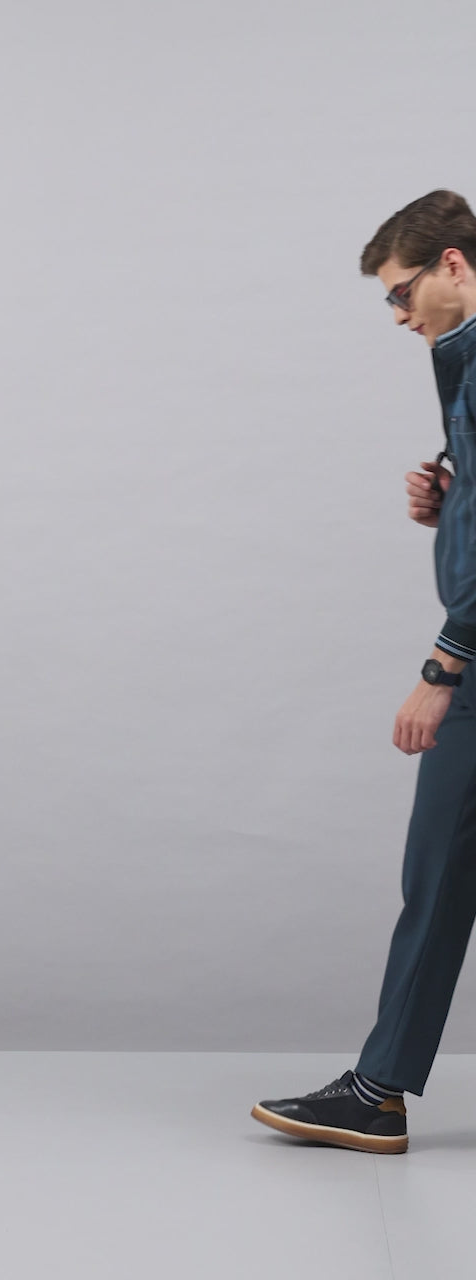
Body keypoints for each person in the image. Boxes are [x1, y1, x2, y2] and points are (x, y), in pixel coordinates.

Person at [251, 189, 476, 1155]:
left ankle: (377, 1093)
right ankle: (377, 1091)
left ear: (453, 265)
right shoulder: (461, 362)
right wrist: (451, 500)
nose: (395, 314)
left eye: (399, 291)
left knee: (440, 872)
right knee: (441, 873)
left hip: (473, 661)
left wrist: (446, 662)